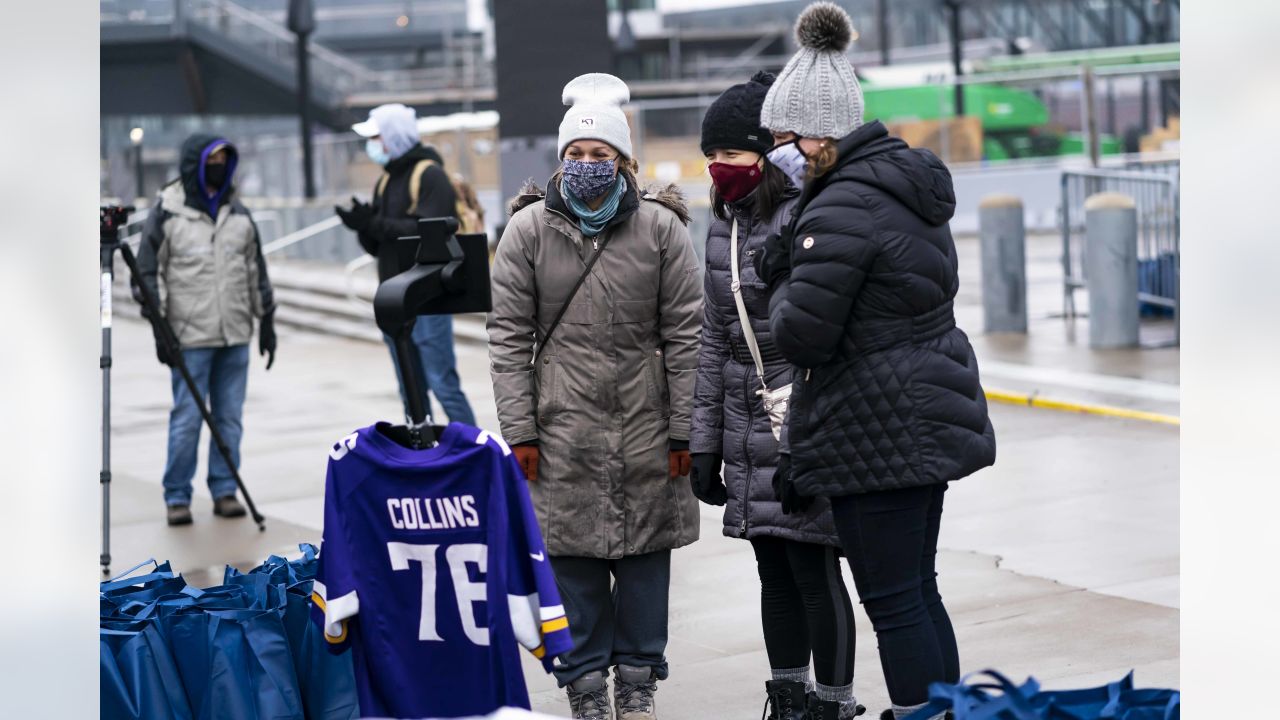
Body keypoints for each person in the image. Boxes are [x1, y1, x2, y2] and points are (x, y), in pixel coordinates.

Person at [753, 4, 998, 720]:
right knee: (920, 591)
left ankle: (926, 714)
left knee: (892, 603)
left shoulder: (839, 208)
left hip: (874, 423)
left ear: (819, 134)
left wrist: (782, 273)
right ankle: (948, 713)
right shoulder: (902, 187)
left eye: (784, 138)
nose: (777, 152)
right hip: (924, 409)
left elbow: (801, 334)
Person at [487, 73, 703, 720]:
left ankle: (637, 686)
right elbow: (508, 337)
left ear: (624, 161)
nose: (586, 166)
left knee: (644, 567)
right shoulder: (526, 232)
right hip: (561, 430)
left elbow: (688, 332)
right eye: (575, 155)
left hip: (646, 422)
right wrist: (520, 431)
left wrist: (685, 430)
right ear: (559, 160)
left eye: (599, 155)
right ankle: (585, 689)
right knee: (571, 567)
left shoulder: (663, 230)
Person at [689, 71, 863, 720]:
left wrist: (800, 445)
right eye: (710, 156)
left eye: (730, 154)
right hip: (745, 420)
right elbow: (713, 339)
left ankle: (834, 705)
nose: (718, 168)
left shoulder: (802, 217)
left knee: (815, 568)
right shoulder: (722, 227)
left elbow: (821, 339)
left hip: (803, 415)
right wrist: (703, 443)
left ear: (765, 154)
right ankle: (788, 698)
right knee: (773, 570)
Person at [136, 134, 277, 527]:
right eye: (211, 158)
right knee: (187, 418)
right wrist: (159, 327)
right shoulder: (168, 212)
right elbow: (145, 274)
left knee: (229, 418)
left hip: (235, 334)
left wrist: (266, 322)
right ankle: (177, 496)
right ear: (194, 163)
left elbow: (257, 272)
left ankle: (224, 489)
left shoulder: (240, 214)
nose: (218, 164)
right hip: (190, 338)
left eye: (223, 158)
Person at [336, 103, 476, 426]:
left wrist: (375, 223)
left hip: (427, 299)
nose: (373, 146)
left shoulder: (429, 175)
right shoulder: (385, 182)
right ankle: (422, 456)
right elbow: (380, 246)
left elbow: (427, 233)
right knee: (410, 390)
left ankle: (474, 455)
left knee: (443, 384)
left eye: (377, 137)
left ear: (394, 138)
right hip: (394, 300)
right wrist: (363, 225)